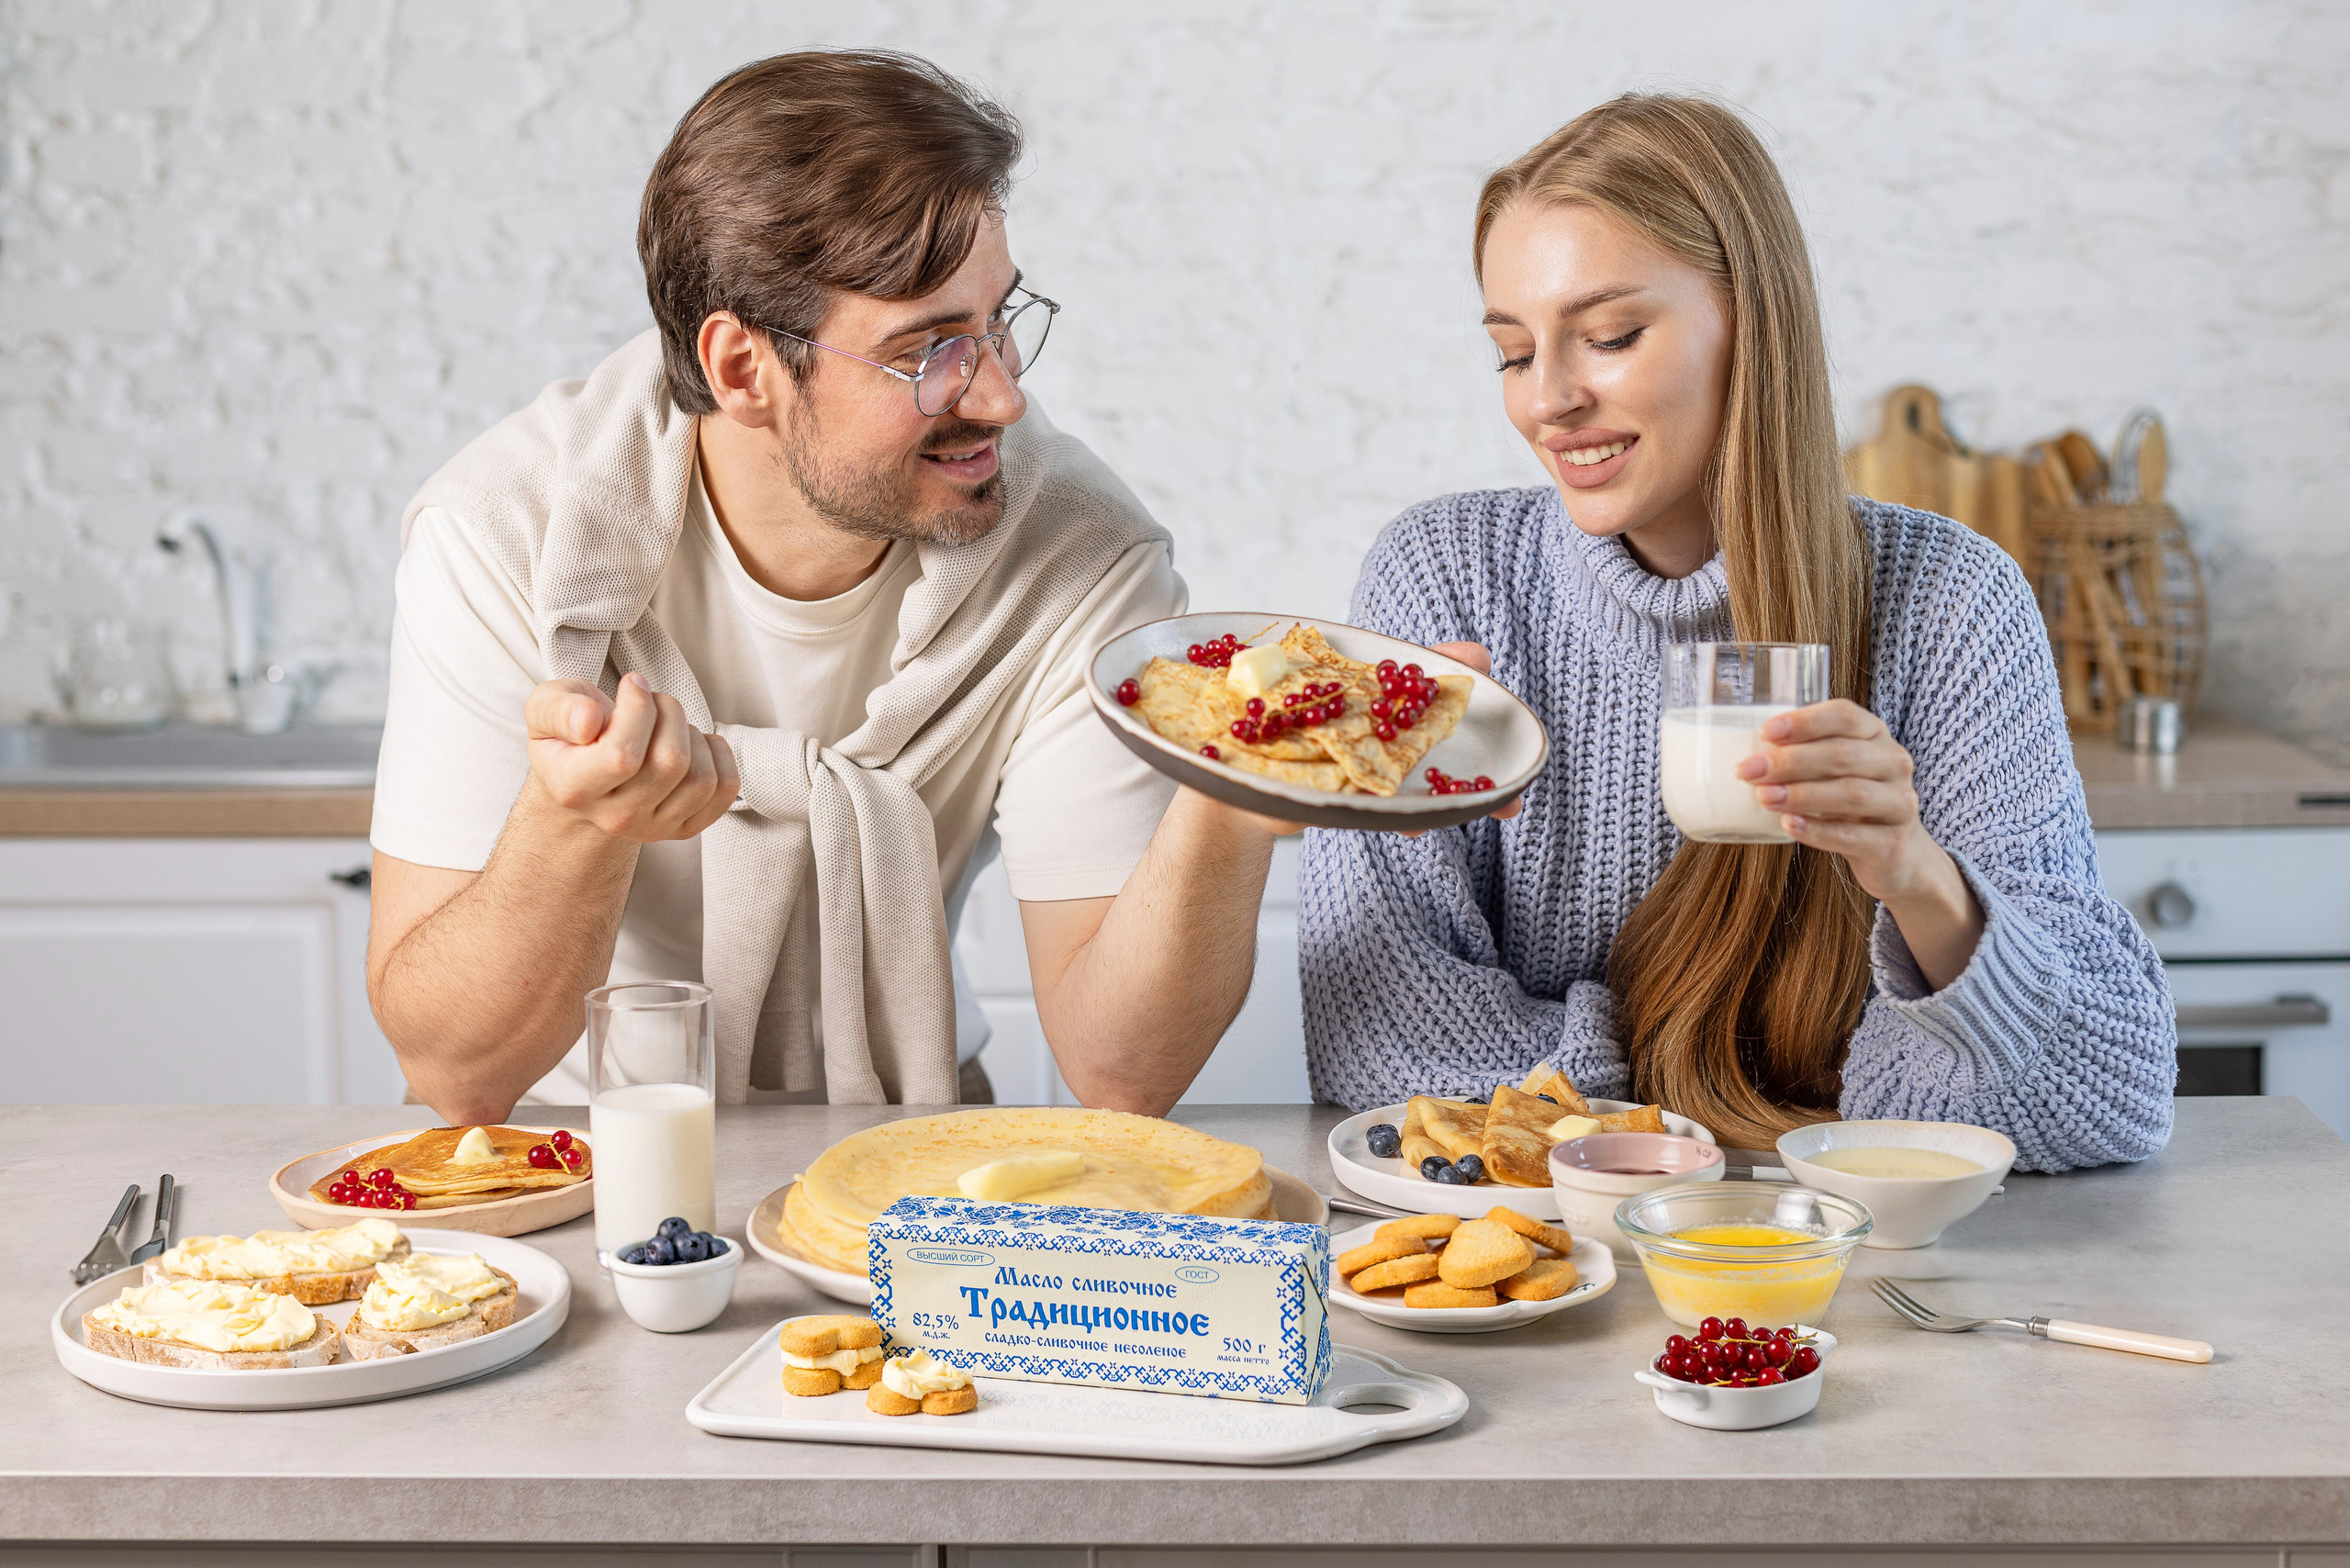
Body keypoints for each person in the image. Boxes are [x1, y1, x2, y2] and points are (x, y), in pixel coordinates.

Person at [367, 50, 1287, 1122]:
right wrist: (571, 825)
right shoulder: (504, 532)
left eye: (999, 323)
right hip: (569, 1143)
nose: (998, 398)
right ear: (743, 370)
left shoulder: (1078, 556)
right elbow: (454, 1074)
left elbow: (1123, 1074)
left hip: (918, 1130)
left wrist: (1230, 802)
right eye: (928, 350)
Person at [1298, 95, 2176, 1171]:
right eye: (1513, 354)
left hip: (1852, 1265)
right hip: (1550, 1260)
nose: (1548, 401)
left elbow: (2109, 1098)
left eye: (1609, 337)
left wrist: (1916, 877)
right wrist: (1688, 1118)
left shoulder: (1951, 601)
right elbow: (1375, 1027)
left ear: (1752, 323)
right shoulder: (1444, 576)